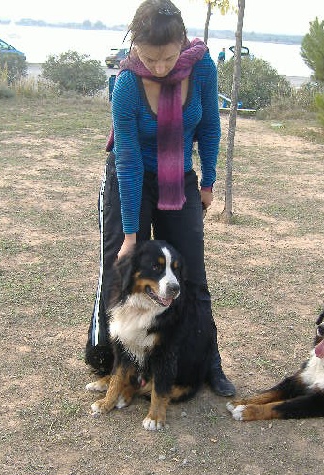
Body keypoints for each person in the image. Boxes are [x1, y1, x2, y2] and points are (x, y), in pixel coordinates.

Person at [85, 0, 236, 397]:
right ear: (135, 47)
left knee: (191, 275)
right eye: (149, 58)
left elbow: (209, 126)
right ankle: (112, 364)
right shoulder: (126, 85)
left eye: (168, 57)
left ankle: (207, 362)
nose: (159, 67)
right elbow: (129, 160)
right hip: (129, 178)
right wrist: (131, 237)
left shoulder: (202, 66)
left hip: (179, 177)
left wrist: (208, 183)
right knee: (119, 269)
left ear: (182, 42)